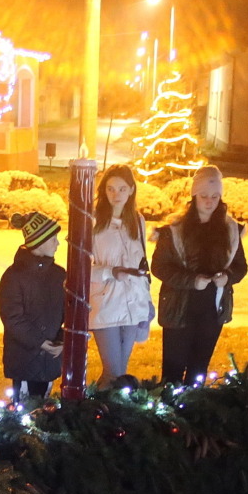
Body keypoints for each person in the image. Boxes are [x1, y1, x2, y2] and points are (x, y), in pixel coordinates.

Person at [151, 165, 248, 385]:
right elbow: (160, 267)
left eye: (215, 196)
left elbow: (240, 266)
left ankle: (193, 408)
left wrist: (227, 277)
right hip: (179, 307)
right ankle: (169, 410)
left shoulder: (230, 230)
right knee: (173, 369)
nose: (209, 201)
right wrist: (192, 281)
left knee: (199, 367)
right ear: (194, 196)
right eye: (204, 195)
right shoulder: (175, 230)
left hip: (212, 309)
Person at [89, 164, 155, 388]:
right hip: (106, 303)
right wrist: (110, 271)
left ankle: (113, 414)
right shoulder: (93, 222)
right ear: (104, 191)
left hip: (133, 303)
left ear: (132, 190)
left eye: (122, 189)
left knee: (120, 373)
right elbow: (80, 269)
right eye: (111, 189)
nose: (116, 195)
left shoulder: (137, 220)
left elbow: (142, 262)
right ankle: (95, 416)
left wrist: (147, 301)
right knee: (113, 372)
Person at [0, 211, 66, 399]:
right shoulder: (14, 277)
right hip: (25, 359)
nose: (58, 244)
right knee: (24, 411)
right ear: (39, 242)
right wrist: (40, 342)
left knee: (46, 406)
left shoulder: (59, 275)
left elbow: (67, 314)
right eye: (53, 239)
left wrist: (62, 340)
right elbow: (13, 319)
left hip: (51, 359)